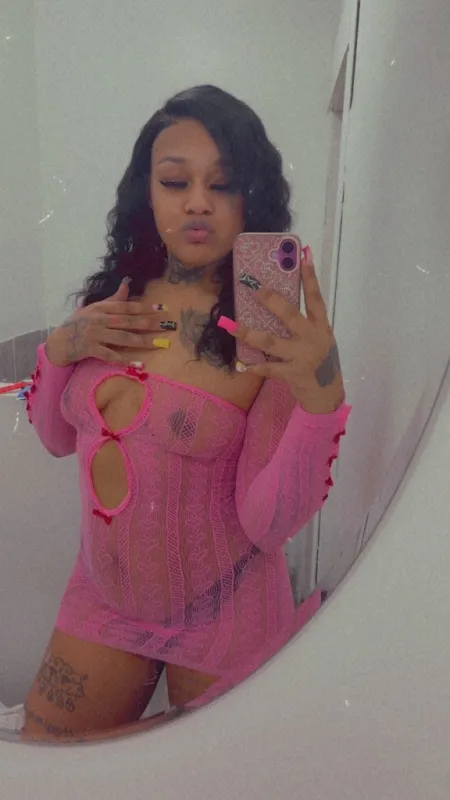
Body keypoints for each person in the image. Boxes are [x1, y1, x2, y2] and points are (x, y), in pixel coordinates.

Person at [21, 85, 351, 742]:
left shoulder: (264, 329)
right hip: (101, 599)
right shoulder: (111, 301)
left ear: (250, 199)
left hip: (225, 611)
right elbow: (56, 438)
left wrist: (321, 398)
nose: (198, 201)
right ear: (146, 192)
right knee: (50, 763)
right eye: (175, 181)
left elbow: (268, 523)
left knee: (211, 781)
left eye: (222, 185)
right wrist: (59, 349)